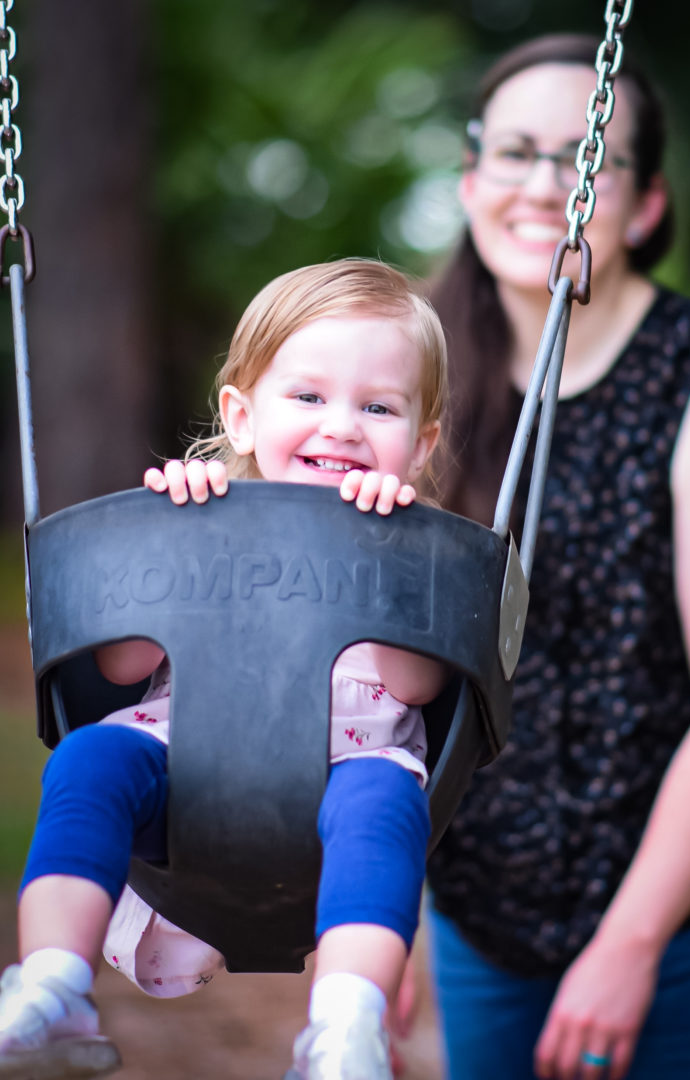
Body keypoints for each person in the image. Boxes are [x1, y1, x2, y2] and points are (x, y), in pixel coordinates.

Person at [418, 32, 690, 1080]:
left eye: (582, 156)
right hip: (482, 912)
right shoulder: (423, 385)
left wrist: (629, 947)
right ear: (468, 182)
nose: (547, 183)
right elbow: (399, 672)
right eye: (515, 152)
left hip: (683, 920)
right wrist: (379, 918)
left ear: (642, 205)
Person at [0, 258, 447, 1080]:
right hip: (185, 774)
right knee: (90, 756)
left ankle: (346, 1031)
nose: (342, 425)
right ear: (242, 418)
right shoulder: (201, 514)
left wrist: (386, 560)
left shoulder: (413, 548)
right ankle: (53, 983)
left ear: (417, 445)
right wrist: (172, 543)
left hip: (345, 782)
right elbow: (127, 661)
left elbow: (415, 684)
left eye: (377, 407)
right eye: (308, 397)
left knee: (389, 795)